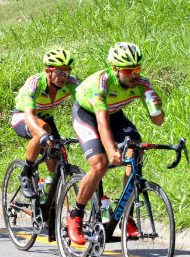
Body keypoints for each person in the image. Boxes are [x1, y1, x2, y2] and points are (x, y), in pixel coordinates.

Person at [68, 42, 165, 245]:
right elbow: (102, 122)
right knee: (100, 164)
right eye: (129, 70)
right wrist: (112, 150)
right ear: (116, 70)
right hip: (87, 115)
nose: (135, 74)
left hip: (114, 114)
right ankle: (75, 215)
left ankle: (126, 214)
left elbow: (158, 121)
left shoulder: (142, 84)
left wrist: (158, 107)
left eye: (137, 69)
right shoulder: (103, 82)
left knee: (136, 150)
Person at [11, 48, 79, 199]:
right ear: (48, 71)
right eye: (59, 72)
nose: (64, 77)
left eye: (67, 72)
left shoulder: (71, 83)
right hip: (23, 116)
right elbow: (29, 115)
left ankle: (47, 196)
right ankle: (26, 173)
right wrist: (42, 134)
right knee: (42, 129)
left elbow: (85, 107)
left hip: (47, 119)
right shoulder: (35, 83)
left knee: (56, 157)